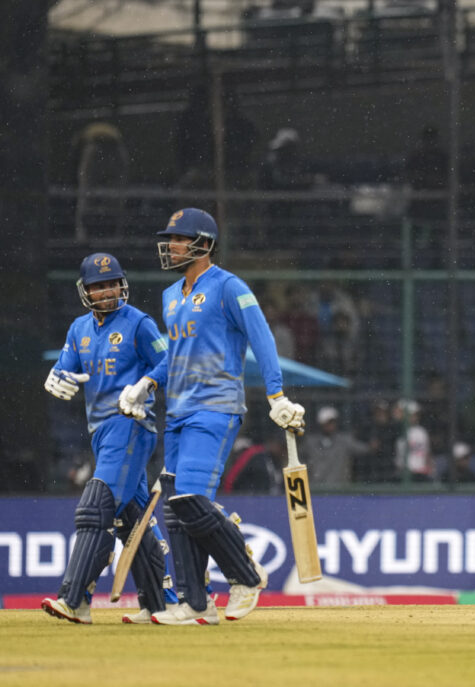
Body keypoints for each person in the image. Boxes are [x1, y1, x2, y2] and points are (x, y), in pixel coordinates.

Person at [118, 208, 306, 625]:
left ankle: (245, 573)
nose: (170, 246)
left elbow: (262, 338)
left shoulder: (229, 287)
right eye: (169, 239)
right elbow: (176, 356)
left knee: (188, 498)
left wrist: (276, 394)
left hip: (216, 406)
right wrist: (147, 383)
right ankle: (195, 602)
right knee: (173, 504)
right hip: (179, 412)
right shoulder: (170, 296)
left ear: (202, 243)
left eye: (178, 239)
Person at [41, 253, 178, 625]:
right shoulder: (78, 329)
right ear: (85, 291)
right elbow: (66, 369)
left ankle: (75, 599)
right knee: (130, 520)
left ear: (122, 284)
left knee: (94, 509)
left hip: (131, 424)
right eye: (98, 286)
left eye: (112, 283)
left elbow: (169, 362)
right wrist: (57, 378)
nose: (107, 291)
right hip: (99, 432)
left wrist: (144, 384)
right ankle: (162, 602)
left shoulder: (138, 324)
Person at [304, 405, 369, 485]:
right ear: (321, 423)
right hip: (317, 489)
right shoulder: (310, 442)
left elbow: (365, 449)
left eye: (332, 422)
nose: (330, 425)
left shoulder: (345, 441)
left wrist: (372, 446)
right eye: (327, 422)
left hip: (339, 489)